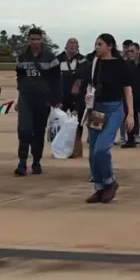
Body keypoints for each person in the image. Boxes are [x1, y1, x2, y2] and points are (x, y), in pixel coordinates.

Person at [78, 33, 134, 204]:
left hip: (114, 109)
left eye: (100, 44)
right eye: (96, 44)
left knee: (102, 149)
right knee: (93, 152)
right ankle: (99, 187)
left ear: (109, 46)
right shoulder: (93, 64)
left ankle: (110, 182)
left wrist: (130, 113)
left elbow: (127, 89)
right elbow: (89, 85)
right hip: (96, 110)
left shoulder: (120, 65)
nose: (97, 47)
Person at [13, 27, 61, 176]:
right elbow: (19, 77)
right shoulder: (22, 58)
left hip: (43, 99)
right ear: (28, 40)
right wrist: (20, 96)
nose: (35, 42)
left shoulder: (50, 58)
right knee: (24, 130)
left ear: (42, 40)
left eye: (38, 39)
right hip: (26, 98)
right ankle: (22, 162)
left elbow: (56, 81)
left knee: (38, 132)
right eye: (32, 39)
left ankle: (36, 161)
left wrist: (55, 100)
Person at [57, 38, 86, 157]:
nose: (72, 45)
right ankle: (60, 148)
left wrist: (79, 83)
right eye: (70, 43)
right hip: (62, 95)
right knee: (59, 121)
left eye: (75, 44)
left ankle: (77, 150)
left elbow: (86, 76)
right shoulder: (58, 59)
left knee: (78, 123)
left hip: (78, 96)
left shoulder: (83, 60)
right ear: (66, 46)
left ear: (78, 47)